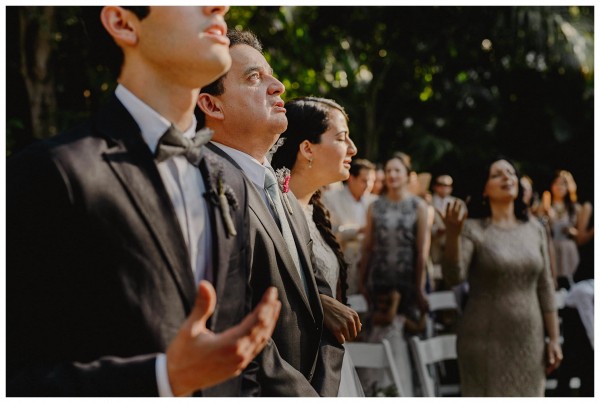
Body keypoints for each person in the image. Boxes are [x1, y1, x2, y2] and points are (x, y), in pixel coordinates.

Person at [7, 7, 281, 397]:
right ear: (122, 22)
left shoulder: (230, 181)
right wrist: (162, 378)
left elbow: (240, 365)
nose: (218, 6)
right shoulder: (49, 174)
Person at [197, 29, 357, 396]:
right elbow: (232, 325)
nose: (279, 86)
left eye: (270, 74)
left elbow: (321, 318)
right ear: (213, 105)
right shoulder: (208, 190)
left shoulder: (285, 193)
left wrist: (326, 390)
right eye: (254, 78)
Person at [442, 157, 562, 396]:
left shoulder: (535, 229)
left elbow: (545, 286)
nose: (507, 177)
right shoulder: (472, 228)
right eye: (497, 174)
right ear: (484, 188)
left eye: (511, 173)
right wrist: (453, 236)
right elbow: (453, 277)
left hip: (530, 339)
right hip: (484, 341)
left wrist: (555, 339)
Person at [270, 96, 364, 397]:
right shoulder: (272, 211)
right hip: (296, 372)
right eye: (341, 138)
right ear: (307, 148)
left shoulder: (315, 213)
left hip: (332, 368)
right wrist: (318, 303)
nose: (353, 149)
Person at [359, 152, 431, 316]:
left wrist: (420, 287)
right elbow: (367, 247)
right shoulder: (374, 206)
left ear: (407, 175)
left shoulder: (419, 206)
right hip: (378, 280)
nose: (392, 174)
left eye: (397, 170)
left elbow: (421, 252)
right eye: (388, 170)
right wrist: (362, 282)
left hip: (408, 281)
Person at [322, 158, 378, 294]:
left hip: (370, 265)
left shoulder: (375, 202)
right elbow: (329, 231)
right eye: (364, 181)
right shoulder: (331, 198)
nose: (369, 185)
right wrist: (359, 230)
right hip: (342, 264)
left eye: (372, 181)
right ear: (352, 178)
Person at [539, 170, 593, 288]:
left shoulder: (576, 208)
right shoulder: (545, 205)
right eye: (556, 183)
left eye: (563, 184)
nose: (559, 187)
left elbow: (580, 238)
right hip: (550, 248)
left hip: (568, 253)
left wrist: (571, 231)